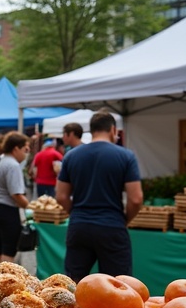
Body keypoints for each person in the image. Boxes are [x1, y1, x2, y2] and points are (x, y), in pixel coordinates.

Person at [56, 110, 143, 281]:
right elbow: (136, 198)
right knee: (118, 286)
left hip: (79, 226)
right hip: (112, 225)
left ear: (92, 130)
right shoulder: (125, 156)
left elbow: (61, 196)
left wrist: (76, 214)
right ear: (113, 130)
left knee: (74, 284)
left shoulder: (71, 155)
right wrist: (124, 220)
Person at [0, 132, 31, 268]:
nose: (26, 154)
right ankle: (5, 282)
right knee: (9, 248)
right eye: (25, 149)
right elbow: (16, 194)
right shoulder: (12, 165)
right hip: (5, 210)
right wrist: (31, 208)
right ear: (16, 148)